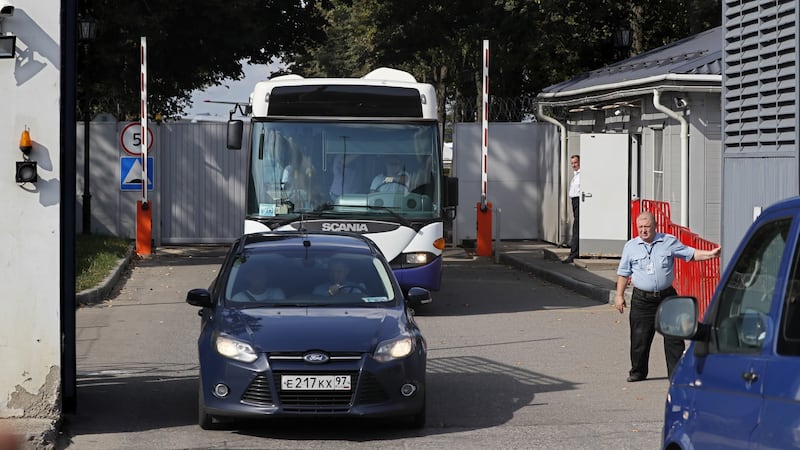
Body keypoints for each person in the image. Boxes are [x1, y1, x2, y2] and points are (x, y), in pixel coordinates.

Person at [614, 211, 721, 382]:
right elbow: (623, 273)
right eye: (640, 227)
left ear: (655, 226)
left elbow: (690, 253)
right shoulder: (631, 247)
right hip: (642, 299)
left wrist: (710, 254)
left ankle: (676, 373)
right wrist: (619, 295)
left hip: (667, 297)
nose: (643, 230)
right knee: (639, 338)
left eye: (647, 227)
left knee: (674, 338)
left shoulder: (668, 242)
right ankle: (638, 371)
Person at [563, 154, 580, 263]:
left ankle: (574, 253)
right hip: (574, 200)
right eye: (572, 163)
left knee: (576, 227)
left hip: (579, 201)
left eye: (575, 162)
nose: (574, 165)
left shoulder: (581, 175)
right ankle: (575, 251)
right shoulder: (575, 175)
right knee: (577, 226)